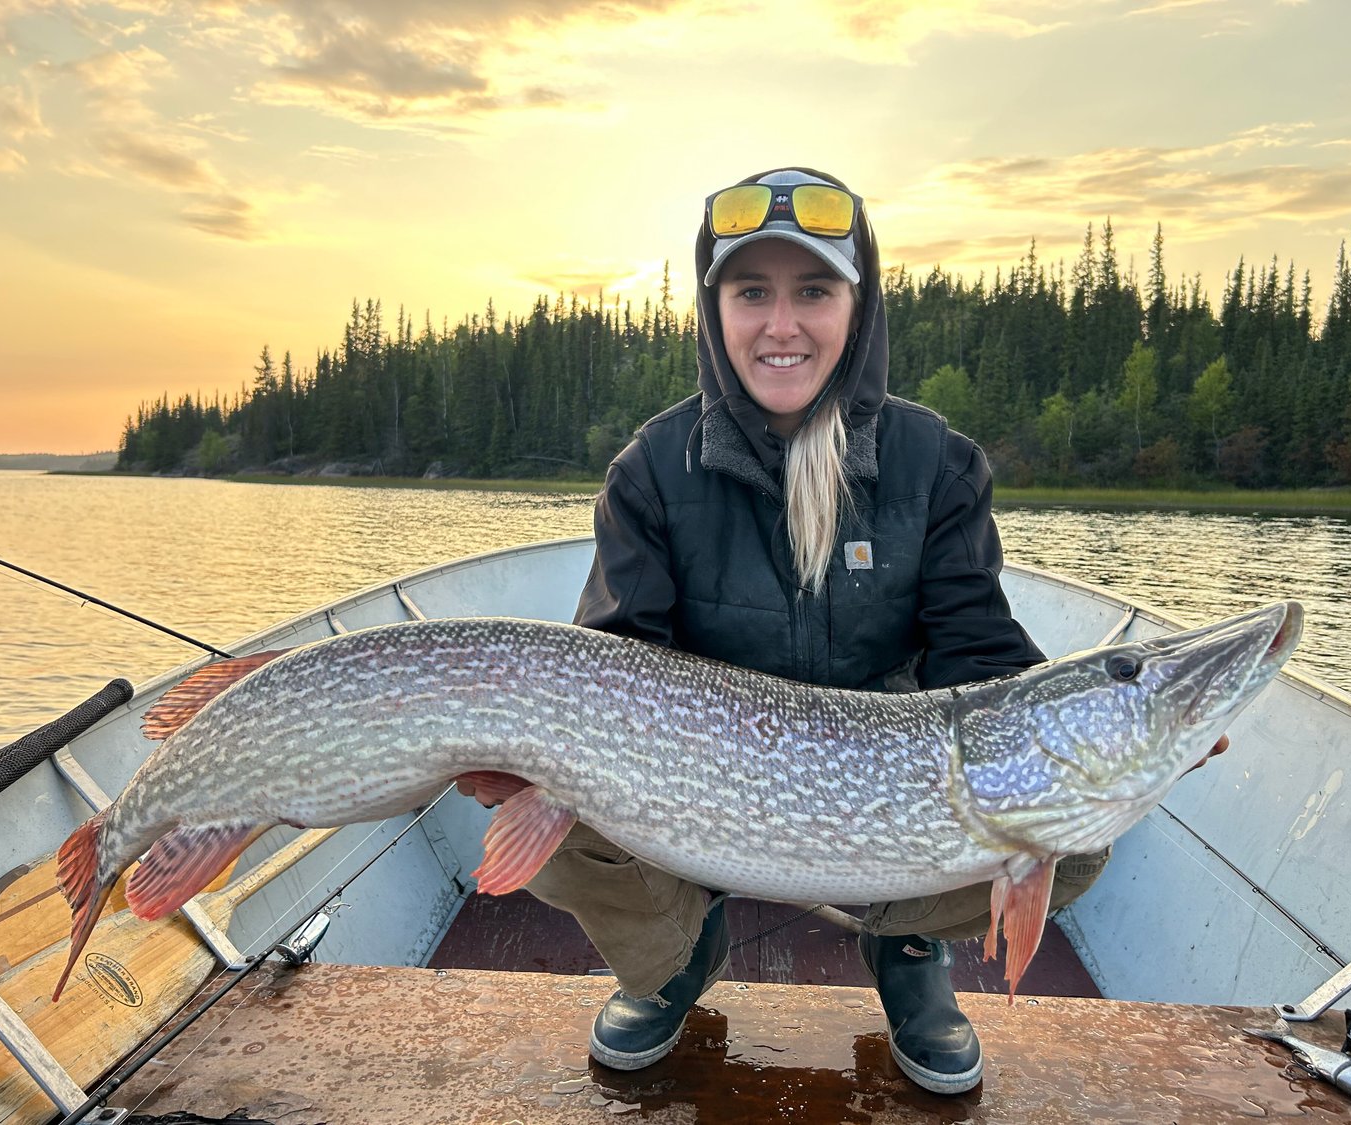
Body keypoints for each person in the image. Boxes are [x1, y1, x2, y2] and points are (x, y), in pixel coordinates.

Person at [462, 167, 1213, 1095]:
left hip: (879, 820)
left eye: (813, 290)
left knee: (1075, 829)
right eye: (752, 293)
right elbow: (618, 664)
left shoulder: (936, 464)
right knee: (551, 801)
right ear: (716, 310)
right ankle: (675, 956)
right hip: (688, 808)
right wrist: (539, 753)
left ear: (859, 306)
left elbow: (984, 661)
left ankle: (904, 946)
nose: (783, 325)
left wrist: (1123, 733)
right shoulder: (652, 470)